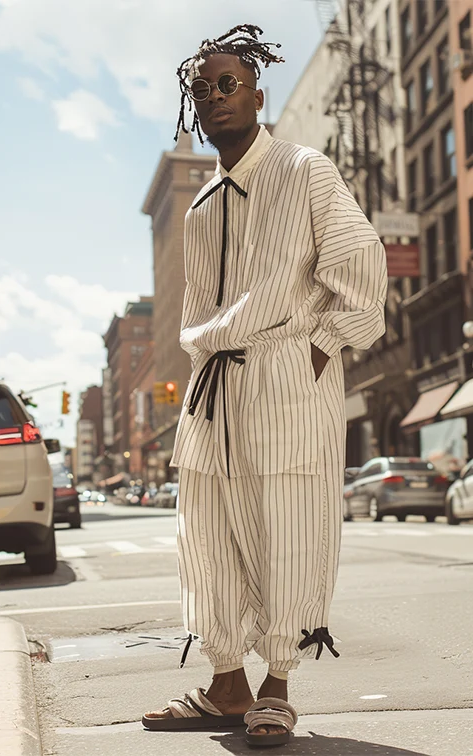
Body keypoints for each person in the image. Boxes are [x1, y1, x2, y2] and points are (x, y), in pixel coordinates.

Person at [140, 25, 387, 748]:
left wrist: (323, 345)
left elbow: (360, 265)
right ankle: (225, 683)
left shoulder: (306, 170)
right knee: (209, 532)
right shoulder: (199, 206)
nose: (216, 98)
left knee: (289, 523)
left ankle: (277, 684)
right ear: (192, 105)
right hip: (212, 385)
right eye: (202, 89)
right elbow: (197, 312)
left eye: (229, 85)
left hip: (286, 368)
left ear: (256, 93)